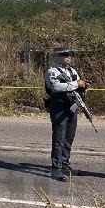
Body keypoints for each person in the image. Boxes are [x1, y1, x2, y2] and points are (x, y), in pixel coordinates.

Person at [44, 47, 90, 181]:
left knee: (69, 137)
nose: (69, 57)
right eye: (65, 55)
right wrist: (76, 83)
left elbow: (78, 87)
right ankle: (56, 169)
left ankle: (65, 164)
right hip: (58, 106)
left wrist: (83, 86)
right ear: (56, 57)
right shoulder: (51, 71)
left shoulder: (72, 71)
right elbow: (55, 87)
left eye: (69, 54)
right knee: (59, 138)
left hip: (72, 106)